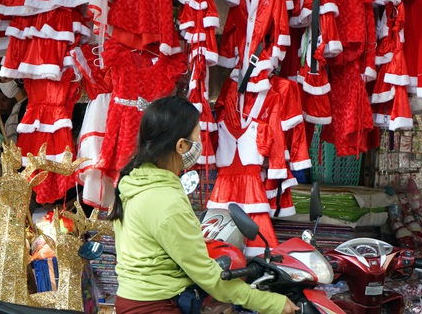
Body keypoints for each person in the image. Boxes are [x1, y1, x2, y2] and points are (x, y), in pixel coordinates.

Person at [107, 96, 299, 314]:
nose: (200, 145)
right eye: (196, 138)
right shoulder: (165, 199)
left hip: (131, 299)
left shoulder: (135, 180)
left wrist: (191, 239)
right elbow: (209, 277)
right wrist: (270, 303)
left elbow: (151, 240)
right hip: (156, 306)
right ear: (181, 145)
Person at [0, 78, 27, 144]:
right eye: (1, 80)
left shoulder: (26, 106)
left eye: (5, 79)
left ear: (17, 80)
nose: (2, 84)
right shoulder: (17, 106)